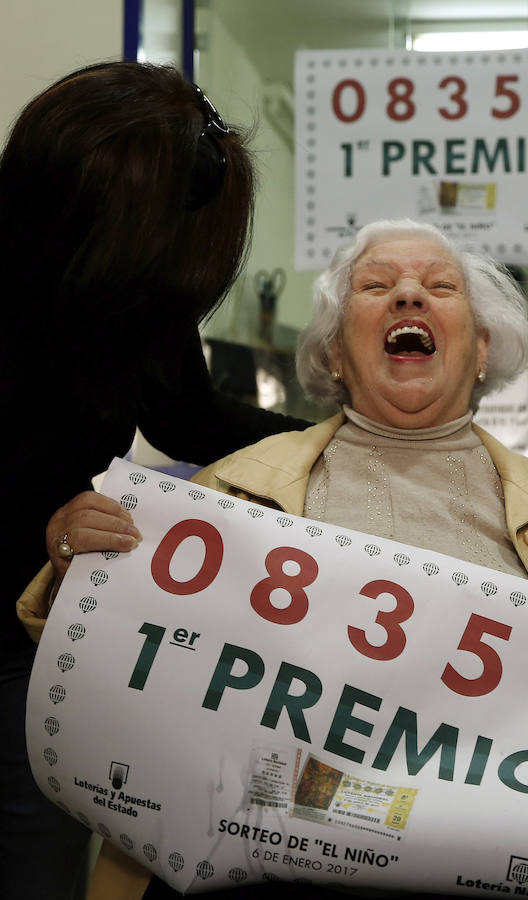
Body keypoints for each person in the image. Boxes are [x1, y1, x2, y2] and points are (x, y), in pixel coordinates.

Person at [19, 219, 528, 899]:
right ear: (334, 354)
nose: (408, 294)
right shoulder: (230, 492)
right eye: (374, 287)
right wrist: (72, 564)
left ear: (481, 350)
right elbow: (112, 669)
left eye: (439, 287)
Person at [0, 61, 309, 900]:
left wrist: (335, 442)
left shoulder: (137, 297)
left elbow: (191, 422)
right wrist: (42, 528)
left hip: (30, 642)